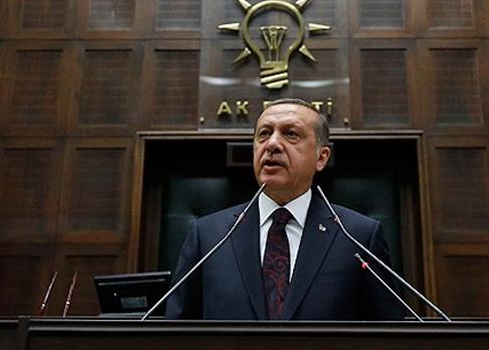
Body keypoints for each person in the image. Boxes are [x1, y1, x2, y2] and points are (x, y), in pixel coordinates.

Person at [165, 98, 404, 320]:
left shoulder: (358, 236)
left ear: (321, 157)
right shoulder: (208, 236)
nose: (272, 144)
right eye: (264, 134)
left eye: (291, 134)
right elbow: (176, 334)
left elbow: (388, 336)